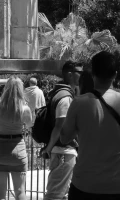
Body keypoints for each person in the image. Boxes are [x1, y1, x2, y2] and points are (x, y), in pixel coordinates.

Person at [62, 51, 120, 200]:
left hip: (85, 186)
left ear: (92, 73)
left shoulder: (78, 103)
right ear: (115, 75)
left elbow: (64, 137)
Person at [42, 61, 84, 200]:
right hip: (63, 152)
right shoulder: (65, 98)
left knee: (63, 195)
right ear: (70, 74)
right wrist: (48, 147)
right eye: (80, 73)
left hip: (63, 152)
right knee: (55, 195)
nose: (82, 76)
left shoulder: (62, 93)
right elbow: (60, 126)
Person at [0, 77, 34, 200]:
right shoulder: (24, 109)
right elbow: (30, 126)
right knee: (20, 192)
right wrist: (16, 82)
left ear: (6, 88)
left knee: (0, 193)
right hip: (18, 148)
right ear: (21, 90)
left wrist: (9, 80)